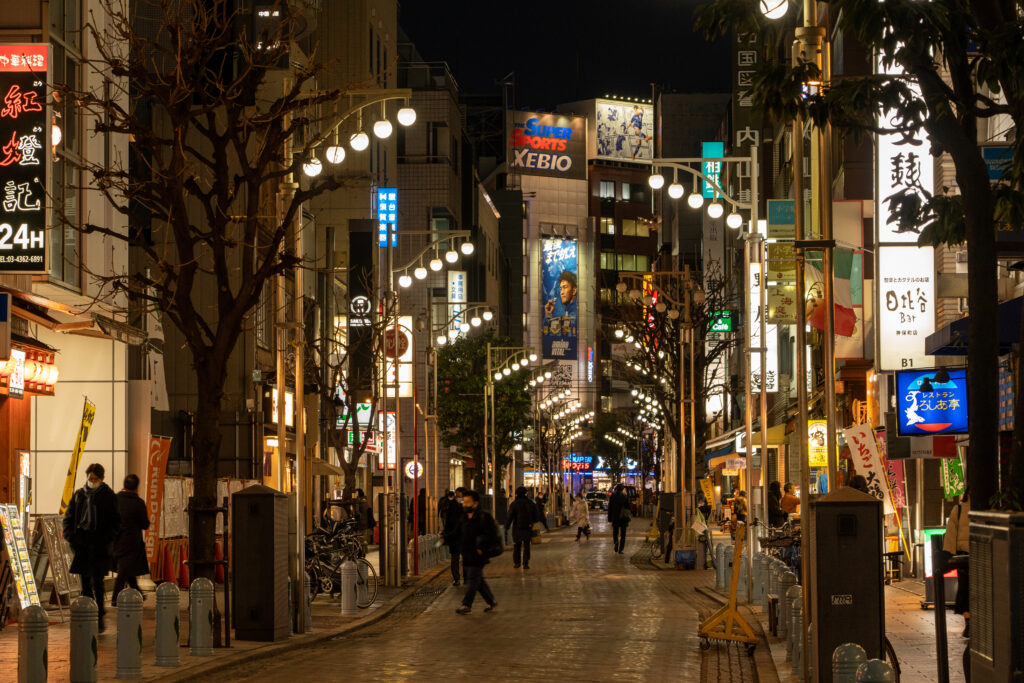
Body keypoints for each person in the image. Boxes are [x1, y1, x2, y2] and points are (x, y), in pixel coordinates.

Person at [63, 463, 121, 632]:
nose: (92, 481)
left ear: (102, 479)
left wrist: (108, 538)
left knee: (98, 581)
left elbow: (116, 521)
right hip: (82, 543)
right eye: (90, 478)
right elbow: (69, 517)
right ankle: (88, 615)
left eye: (95, 479)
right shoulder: (79, 495)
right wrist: (71, 537)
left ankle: (99, 615)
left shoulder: (109, 496)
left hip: (100, 544)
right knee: (85, 582)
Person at [455, 490, 498, 614]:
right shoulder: (464, 517)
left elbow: (490, 535)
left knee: (472, 580)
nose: (465, 504)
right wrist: (442, 540)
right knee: (478, 580)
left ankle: (466, 604)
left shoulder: (484, 517)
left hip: (479, 554)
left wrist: (482, 547)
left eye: (468, 502)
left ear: (475, 503)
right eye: (464, 502)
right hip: (467, 554)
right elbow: (456, 532)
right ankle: (491, 601)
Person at [112, 474, 150, 606]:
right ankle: (115, 597)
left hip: (116, 540)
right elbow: (145, 524)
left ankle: (137, 591)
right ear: (136, 487)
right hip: (132, 542)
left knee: (127, 568)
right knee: (124, 569)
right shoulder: (138, 503)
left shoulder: (115, 500)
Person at [943, 487, 971, 637]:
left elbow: (951, 534)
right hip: (981, 555)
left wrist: (948, 554)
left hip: (962, 556)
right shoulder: (989, 508)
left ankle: (968, 622)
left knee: (965, 590)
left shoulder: (958, 509)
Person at [506, 486, 538, 569]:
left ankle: (517, 563)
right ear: (525, 493)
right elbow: (536, 514)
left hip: (517, 527)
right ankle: (525, 563)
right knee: (527, 546)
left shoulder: (514, 504)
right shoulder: (530, 503)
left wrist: (507, 526)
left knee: (517, 545)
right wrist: (533, 522)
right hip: (528, 527)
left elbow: (510, 516)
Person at [441, 487, 465, 586]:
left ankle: (465, 578)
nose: (457, 497)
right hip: (455, 536)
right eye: (457, 495)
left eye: (459, 495)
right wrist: (446, 533)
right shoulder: (452, 505)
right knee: (455, 558)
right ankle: (456, 578)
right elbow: (448, 520)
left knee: (465, 558)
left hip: (464, 536)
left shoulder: (467, 505)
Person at [608, 484, 631, 554]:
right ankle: (621, 549)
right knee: (623, 534)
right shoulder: (624, 497)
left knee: (615, 532)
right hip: (623, 517)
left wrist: (609, 518)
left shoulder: (612, 496)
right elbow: (628, 507)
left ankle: (616, 542)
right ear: (622, 489)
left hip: (615, 517)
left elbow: (610, 508)